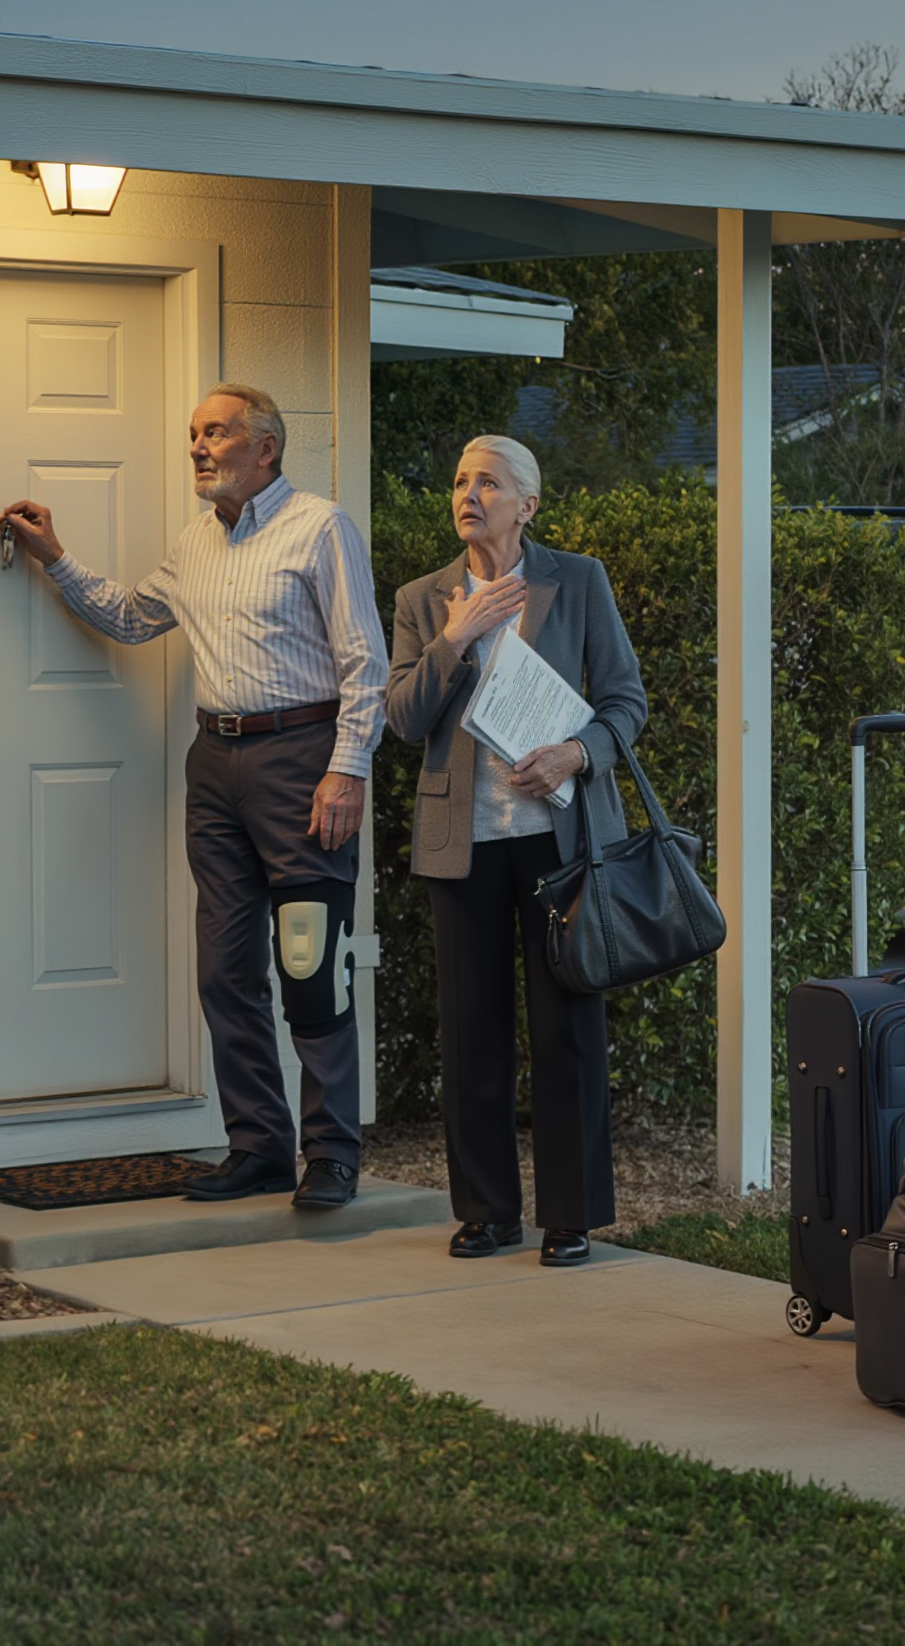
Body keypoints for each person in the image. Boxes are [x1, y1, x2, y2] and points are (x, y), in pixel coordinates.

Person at [1, 383, 387, 1208]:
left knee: (312, 966)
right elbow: (136, 618)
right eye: (193, 435)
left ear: (265, 448)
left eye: (215, 433)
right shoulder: (195, 543)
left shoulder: (320, 529)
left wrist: (346, 769)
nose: (198, 448)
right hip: (214, 766)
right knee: (226, 969)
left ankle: (332, 1155)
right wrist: (55, 558)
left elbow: (365, 663)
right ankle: (256, 1146)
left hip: (303, 762)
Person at [385, 435, 647, 1267]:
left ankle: (570, 1217)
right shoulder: (425, 599)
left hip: (559, 837)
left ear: (528, 503)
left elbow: (625, 701)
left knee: (568, 1027)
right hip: (464, 844)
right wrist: (455, 638)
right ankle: (489, 1211)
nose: (469, 494)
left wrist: (577, 754)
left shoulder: (578, 582)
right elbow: (402, 719)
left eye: (489, 482)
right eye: (461, 480)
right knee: (472, 1031)